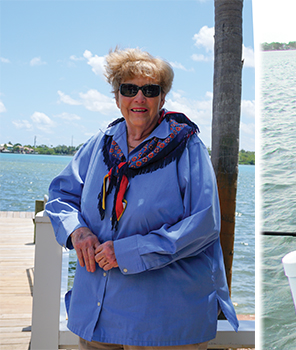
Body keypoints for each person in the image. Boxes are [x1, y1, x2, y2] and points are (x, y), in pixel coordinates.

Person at [45, 47, 238, 349]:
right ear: (117, 96)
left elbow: (204, 224)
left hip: (160, 324)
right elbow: (60, 196)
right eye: (129, 89)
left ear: (162, 98)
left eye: (150, 90)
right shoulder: (100, 143)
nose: (139, 98)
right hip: (96, 316)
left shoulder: (186, 147)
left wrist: (129, 252)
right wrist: (77, 231)